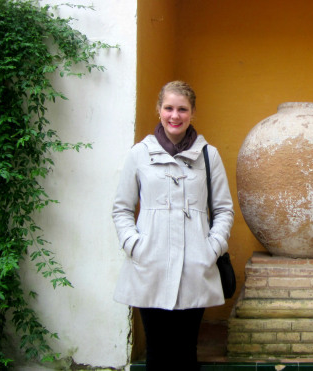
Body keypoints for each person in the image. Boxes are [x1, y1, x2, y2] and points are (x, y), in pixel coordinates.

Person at [112, 81, 234, 370]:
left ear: (192, 113)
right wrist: (134, 245)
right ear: (158, 110)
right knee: (157, 353)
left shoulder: (209, 155)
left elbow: (223, 209)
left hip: (195, 266)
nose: (175, 116)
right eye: (169, 108)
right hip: (150, 265)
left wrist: (211, 249)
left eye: (182, 109)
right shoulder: (139, 154)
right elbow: (122, 208)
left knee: (185, 353)